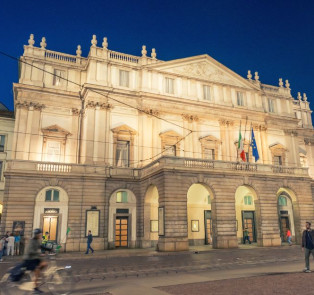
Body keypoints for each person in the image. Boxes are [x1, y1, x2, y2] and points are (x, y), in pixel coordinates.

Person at [23, 228, 48, 294]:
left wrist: (50, 249)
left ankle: (37, 274)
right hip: (29, 259)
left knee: (44, 264)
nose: (40, 235)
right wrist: (39, 254)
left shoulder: (37, 240)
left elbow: (41, 246)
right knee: (37, 271)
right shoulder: (32, 241)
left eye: (40, 234)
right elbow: (30, 251)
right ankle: (35, 289)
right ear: (36, 235)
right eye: (39, 234)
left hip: (34, 258)